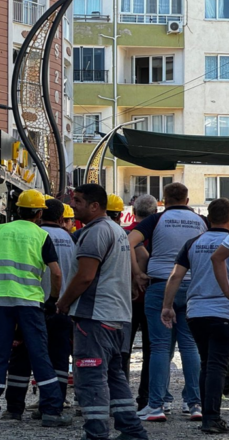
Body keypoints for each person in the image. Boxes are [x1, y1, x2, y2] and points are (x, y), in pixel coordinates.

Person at [56, 183, 148, 440]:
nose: (73, 205)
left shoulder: (95, 233)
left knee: (90, 377)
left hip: (94, 318)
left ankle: (96, 433)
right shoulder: (117, 230)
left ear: (95, 206)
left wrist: (63, 302)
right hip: (116, 317)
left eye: (78, 201)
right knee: (114, 376)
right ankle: (132, 430)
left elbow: (85, 276)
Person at [0, 189, 71, 429]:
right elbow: (56, 273)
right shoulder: (40, 236)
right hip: (29, 304)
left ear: (17, 210)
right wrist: (52, 299)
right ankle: (51, 410)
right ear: (39, 213)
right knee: (39, 355)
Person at [129, 183, 205, 422]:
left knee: (161, 347)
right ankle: (194, 404)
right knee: (190, 346)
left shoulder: (156, 220)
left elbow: (129, 241)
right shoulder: (201, 221)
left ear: (163, 200)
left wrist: (137, 273)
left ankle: (156, 406)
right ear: (187, 198)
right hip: (192, 286)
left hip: (161, 284)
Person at [2, 199, 76, 420]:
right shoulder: (71, 240)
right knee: (58, 359)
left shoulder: (34, 235)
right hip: (62, 307)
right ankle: (52, 406)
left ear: (40, 215)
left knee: (21, 356)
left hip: (31, 304)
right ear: (62, 218)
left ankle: (14, 408)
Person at [161, 198, 229, 433]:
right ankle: (211, 419)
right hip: (223, 310)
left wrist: (167, 306)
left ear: (208, 218)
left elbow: (175, 277)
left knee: (208, 362)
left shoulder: (194, 243)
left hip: (197, 311)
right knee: (217, 364)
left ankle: (208, 414)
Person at [122, 194, 158, 411]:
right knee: (152, 351)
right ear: (154, 213)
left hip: (128, 297)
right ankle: (146, 398)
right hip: (153, 297)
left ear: (133, 211)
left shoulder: (125, 232)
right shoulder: (158, 232)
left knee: (122, 349)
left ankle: (121, 395)